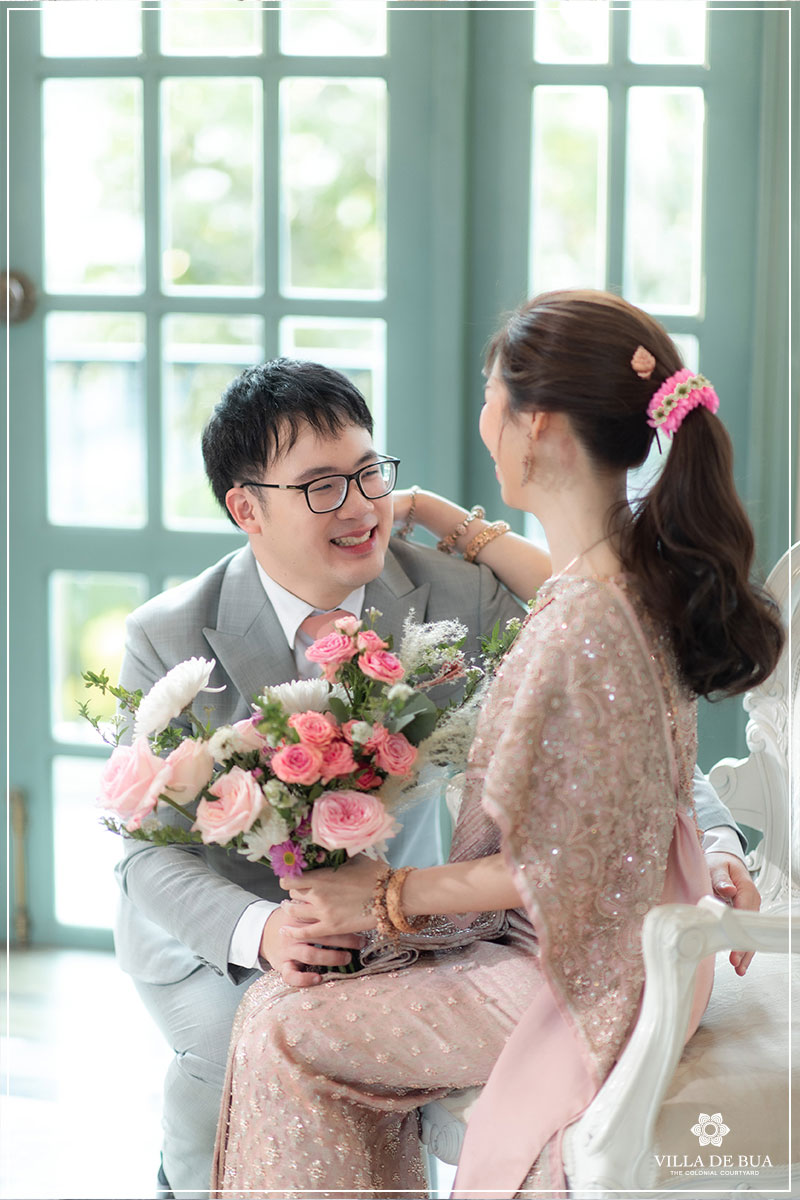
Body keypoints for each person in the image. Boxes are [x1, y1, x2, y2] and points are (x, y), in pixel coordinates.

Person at [114, 357, 752, 1198]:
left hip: (407, 919)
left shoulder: (456, 597)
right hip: (223, 936)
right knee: (238, 1042)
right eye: (322, 487)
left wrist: (713, 841)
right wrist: (266, 933)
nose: (360, 507)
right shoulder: (168, 637)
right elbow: (146, 856)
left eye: (368, 472)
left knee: (332, 1046)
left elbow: (622, 732)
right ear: (247, 509)